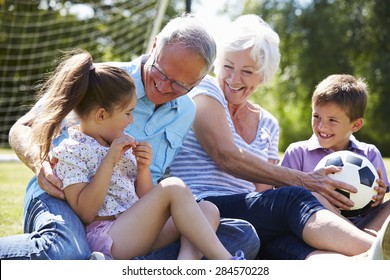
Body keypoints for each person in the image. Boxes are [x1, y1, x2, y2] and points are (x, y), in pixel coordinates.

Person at [0, 15, 258, 260]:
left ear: (200, 81)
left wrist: (144, 170)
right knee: (65, 252)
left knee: (240, 233)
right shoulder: (102, 81)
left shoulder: (186, 111)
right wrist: (39, 162)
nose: (165, 87)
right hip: (64, 196)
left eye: (181, 85)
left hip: (131, 214)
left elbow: (148, 189)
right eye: (162, 74)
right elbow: (21, 128)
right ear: (155, 45)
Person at [169, 14, 388, 259]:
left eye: (247, 72)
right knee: (293, 198)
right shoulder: (205, 91)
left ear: (263, 75)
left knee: (302, 248)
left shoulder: (268, 124)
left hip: (247, 214)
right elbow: (225, 156)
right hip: (200, 205)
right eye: (227, 66)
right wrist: (305, 180)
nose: (233, 79)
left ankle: (364, 263)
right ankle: (374, 249)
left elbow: (263, 195)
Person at [280, 74, 390, 238]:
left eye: (332, 120)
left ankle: (365, 239)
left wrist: (378, 197)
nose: (322, 126)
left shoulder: (369, 153)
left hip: (363, 225)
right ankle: (360, 242)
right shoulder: (297, 152)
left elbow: (374, 204)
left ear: (356, 124)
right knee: (315, 197)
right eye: (316, 116)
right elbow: (285, 200)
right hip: (318, 226)